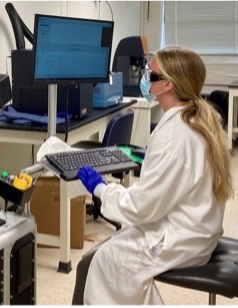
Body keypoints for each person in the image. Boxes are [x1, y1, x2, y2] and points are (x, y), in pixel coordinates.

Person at [77, 46, 234, 305]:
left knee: (104, 263)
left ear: (168, 85)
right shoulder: (195, 119)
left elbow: (142, 207)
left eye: (151, 75)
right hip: (196, 230)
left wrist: (102, 189)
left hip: (179, 239)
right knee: (110, 253)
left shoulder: (175, 135)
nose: (145, 78)